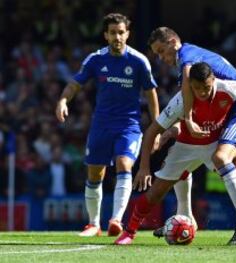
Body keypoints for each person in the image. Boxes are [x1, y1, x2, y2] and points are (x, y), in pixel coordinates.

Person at [114, 62, 236, 246]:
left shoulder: (228, 89)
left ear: (214, 80)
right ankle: (129, 233)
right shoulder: (180, 101)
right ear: (190, 86)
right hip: (185, 147)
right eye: (197, 88)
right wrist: (143, 167)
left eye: (206, 87)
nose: (202, 93)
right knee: (155, 193)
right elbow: (151, 132)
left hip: (215, 143)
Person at [147, 27, 236, 245]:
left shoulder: (187, 60)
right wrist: (172, 130)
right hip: (231, 112)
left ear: (172, 42)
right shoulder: (191, 59)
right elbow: (193, 102)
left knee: (223, 158)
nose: (161, 58)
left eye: (161, 51)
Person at [55, 13, 159, 237]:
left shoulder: (139, 61)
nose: (117, 37)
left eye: (121, 32)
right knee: (95, 174)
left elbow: (151, 95)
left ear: (127, 34)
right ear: (106, 35)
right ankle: (93, 224)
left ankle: (116, 220)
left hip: (128, 126)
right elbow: (74, 84)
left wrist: (157, 126)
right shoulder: (95, 59)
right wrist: (63, 100)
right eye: (113, 33)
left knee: (124, 164)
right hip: (101, 125)